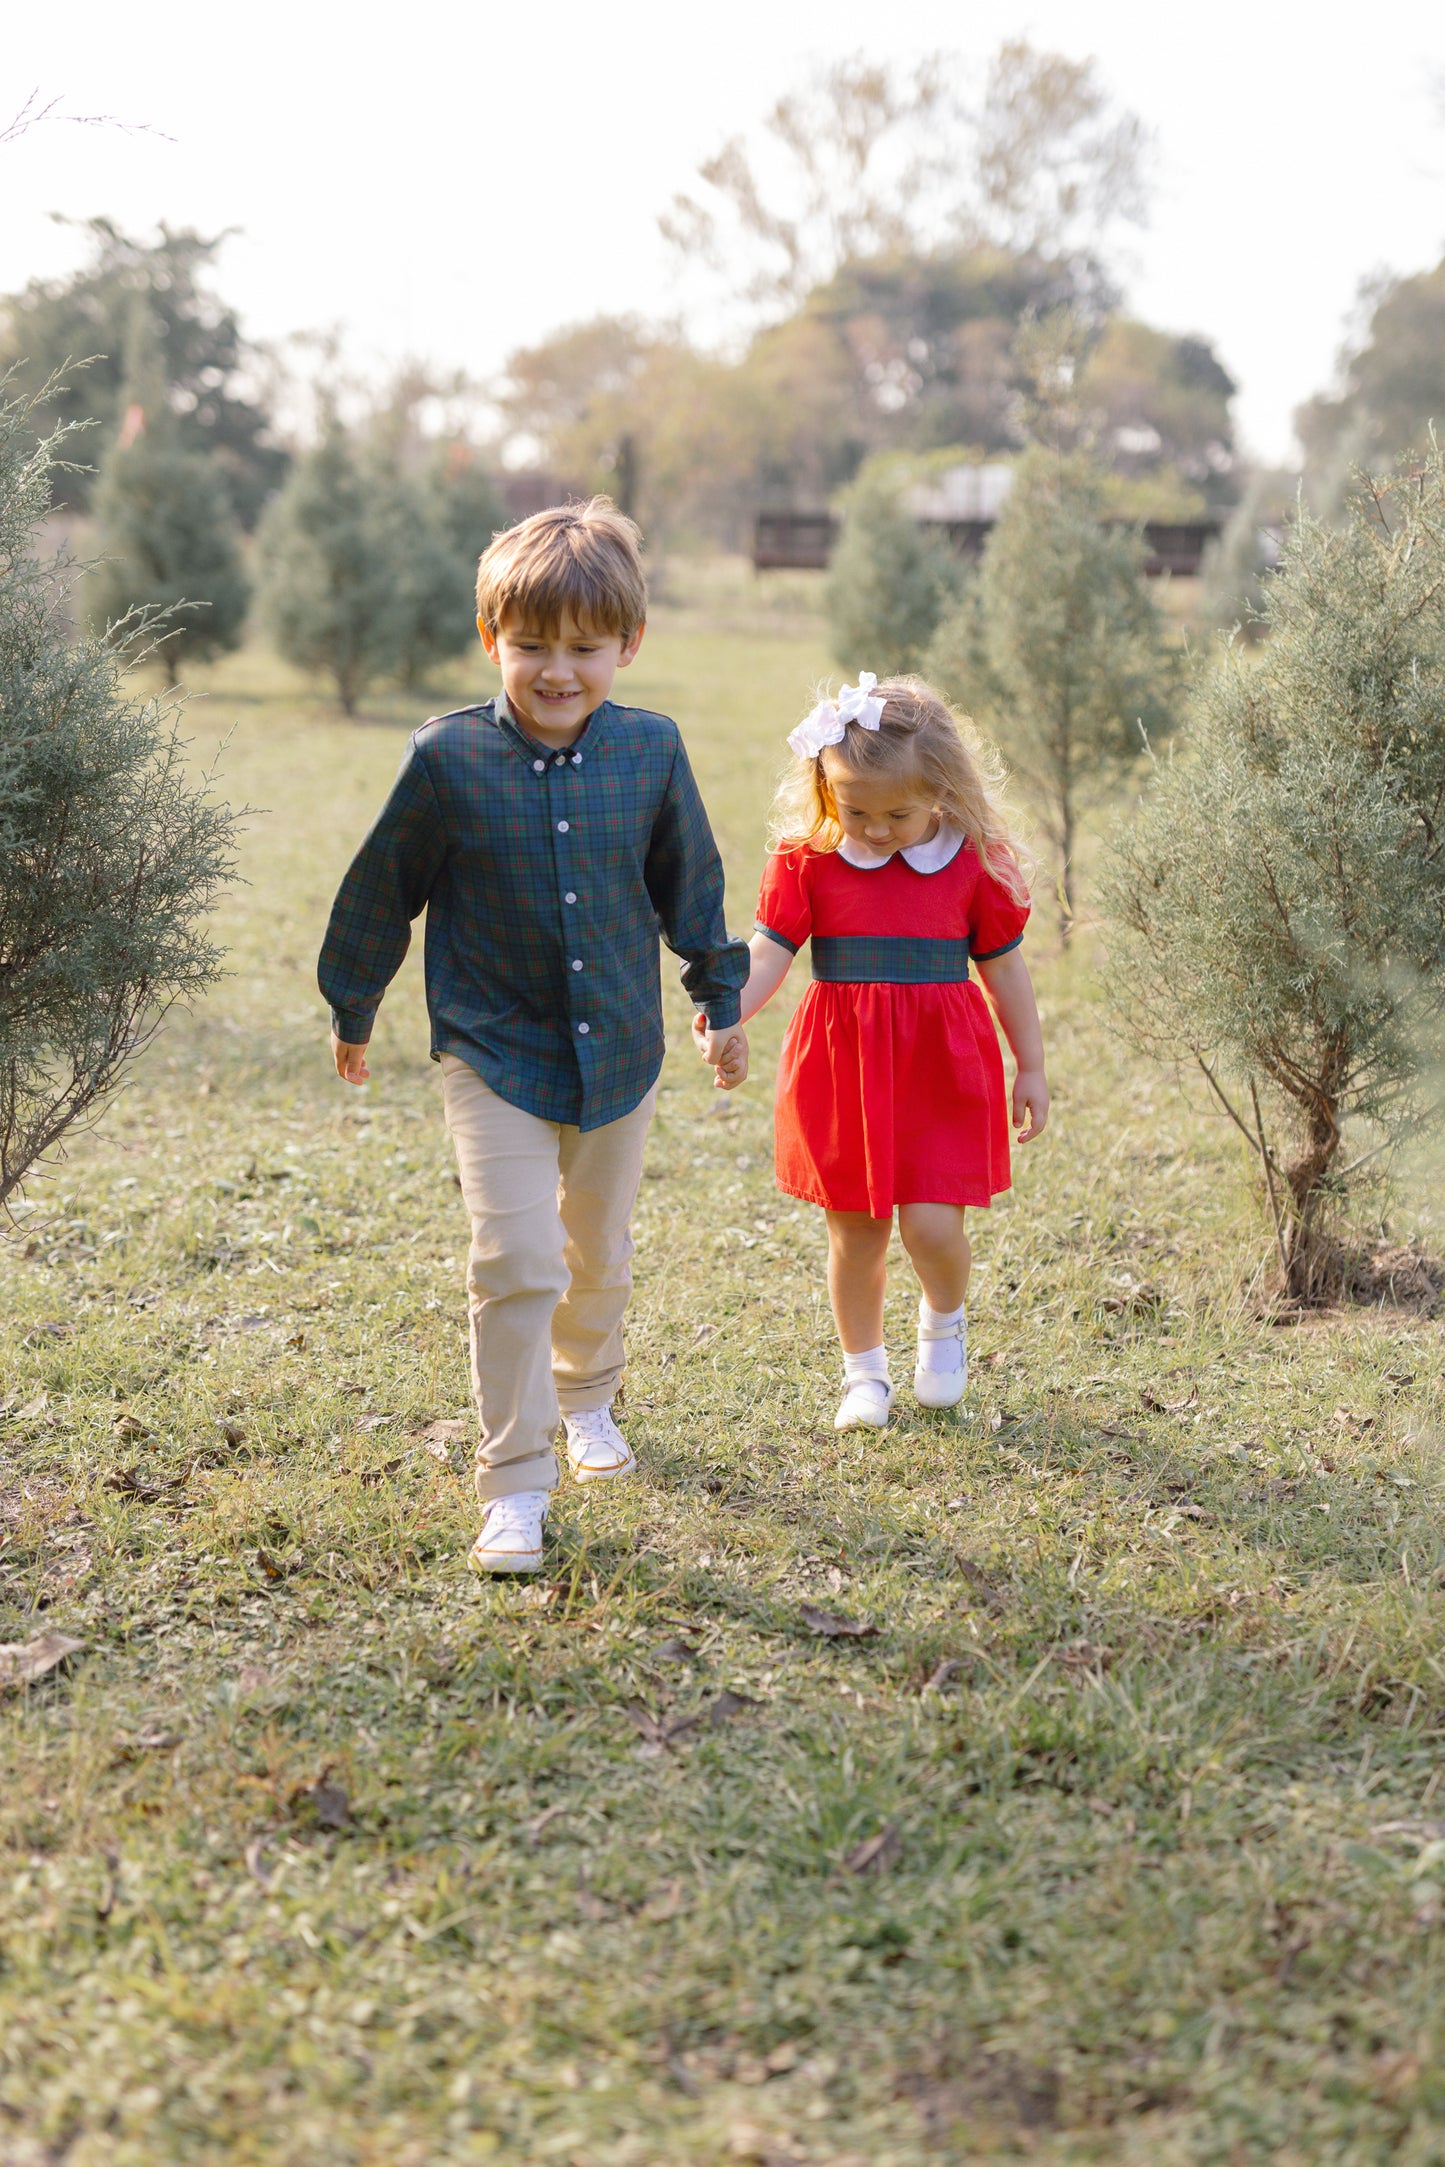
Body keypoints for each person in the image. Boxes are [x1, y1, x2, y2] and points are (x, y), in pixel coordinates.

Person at [320, 499, 748, 1572]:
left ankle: (588, 1397)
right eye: (531, 646)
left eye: (583, 647)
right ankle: (513, 1484)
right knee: (514, 1254)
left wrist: (716, 993)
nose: (557, 671)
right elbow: (384, 888)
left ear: (626, 645)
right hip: (491, 1048)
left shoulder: (650, 750)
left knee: (593, 1247)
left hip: (618, 1052)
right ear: (491, 641)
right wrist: (354, 1003)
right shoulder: (446, 759)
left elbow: (687, 882)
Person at [705, 672, 1047, 1431]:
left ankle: (943, 1322)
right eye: (854, 808)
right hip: (843, 1066)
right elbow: (769, 953)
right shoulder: (809, 858)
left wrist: (1031, 1064)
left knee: (931, 1226)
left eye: (897, 811)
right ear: (825, 788)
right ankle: (864, 1376)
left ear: (942, 791)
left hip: (939, 1069)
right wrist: (726, 1011)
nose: (876, 827)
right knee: (855, 1231)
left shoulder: (969, 862)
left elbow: (1004, 970)